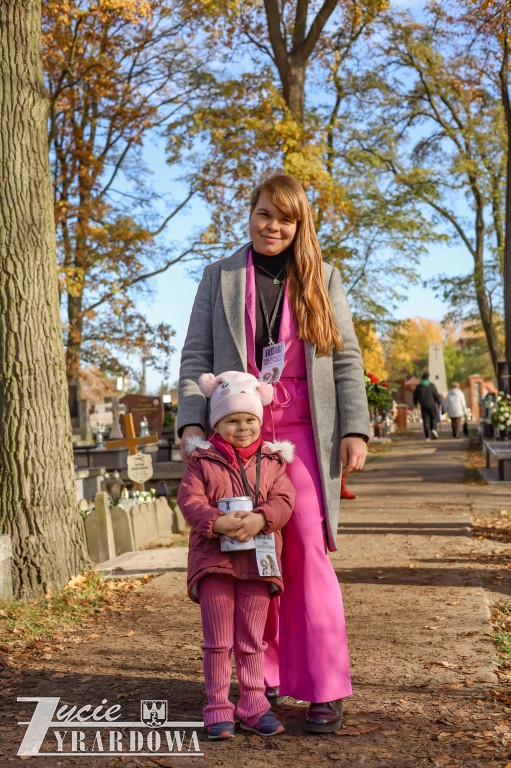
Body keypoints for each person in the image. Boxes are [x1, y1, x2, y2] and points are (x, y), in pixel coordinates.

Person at [178, 173, 370, 734]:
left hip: (305, 430)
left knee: (306, 545)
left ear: (299, 224)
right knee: (252, 549)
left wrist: (354, 429)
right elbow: (194, 356)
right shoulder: (219, 277)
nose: (273, 227)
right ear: (251, 212)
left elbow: (345, 358)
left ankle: (324, 684)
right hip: (235, 434)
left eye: (285, 219)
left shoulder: (322, 277)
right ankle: (267, 676)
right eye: (265, 214)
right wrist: (192, 424)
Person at [177, 370, 296, 740]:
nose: (242, 427)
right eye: (232, 420)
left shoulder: (273, 462)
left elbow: (285, 500)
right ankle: (217, 706)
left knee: (251, 640)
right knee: (217, 641)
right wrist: (218, 522)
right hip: (215, 562)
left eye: (249, 420)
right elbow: (190, 500)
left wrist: (262, 518)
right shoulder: (202, 461)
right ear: (217, 423)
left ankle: (253, 705)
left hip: (258, 562)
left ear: (259, 421)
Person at [413, 372, 443, 441]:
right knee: (434, 417)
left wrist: (415, 404)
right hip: (432, 405)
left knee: (425, 420)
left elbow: (415, 397)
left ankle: (427, 436)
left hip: (423, 405)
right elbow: (436, 395)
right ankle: (433, 430)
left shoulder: (418, 387)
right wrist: (439, 403)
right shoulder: (431, 385)